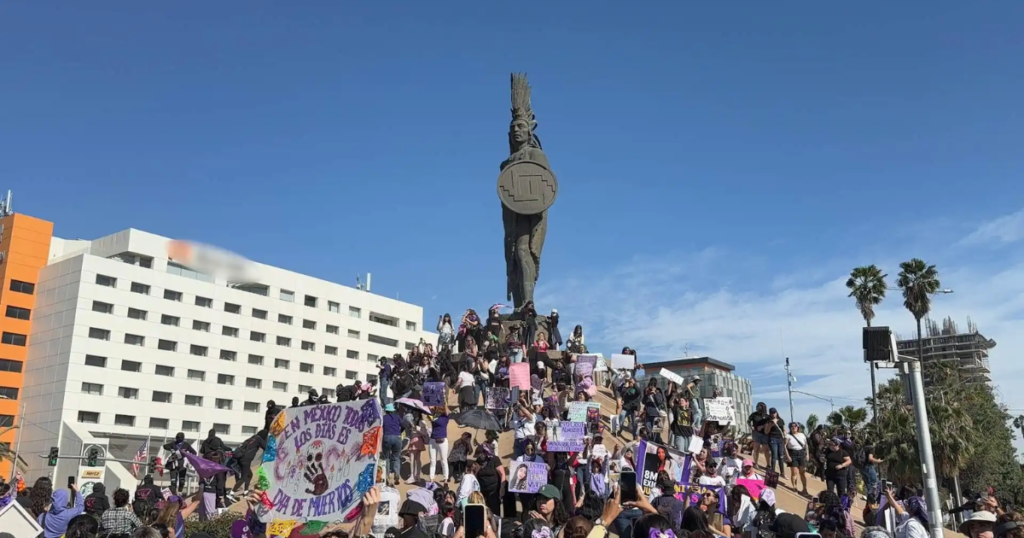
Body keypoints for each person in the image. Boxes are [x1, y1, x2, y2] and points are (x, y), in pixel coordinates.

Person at [232, 429, 268, 494]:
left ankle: (245, 491)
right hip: (246, 461)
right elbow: (265, 447)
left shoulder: (253, 437)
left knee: (249, 475)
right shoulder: (258, 439)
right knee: (244, 477)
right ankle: (232, 493)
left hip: (241, 459)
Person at [382, 403, 406, 485]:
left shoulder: (384, 418)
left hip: (387, 437)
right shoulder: (397, 417)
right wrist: (400, 431)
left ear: (386, 411)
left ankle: (387, 476)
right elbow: (404, 425)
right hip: (397, 437)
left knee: (386, 458)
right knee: (396, 457)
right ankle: (396, 474)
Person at [785, 422, 810, 496]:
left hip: (801, 453)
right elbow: (784, 446)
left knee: (802, 472)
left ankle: (804, 489)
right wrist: (788, 456)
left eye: (795, 426)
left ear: (797, 427)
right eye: (792, 426)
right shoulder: (788, 436)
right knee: (794, 472)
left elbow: (806, 445)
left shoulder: (802, 435)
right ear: (790, 428)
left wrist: (807, 454)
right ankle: (794, 487)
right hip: (793, 454)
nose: (793, 427)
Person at [429, 402, 451, 482]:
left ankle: (445, 479)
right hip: (433, 440)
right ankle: (431, 479)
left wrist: (444, 402)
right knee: (432, 460)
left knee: (443, 460)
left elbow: (447, 410)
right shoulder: (434, 416)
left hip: (442, 440)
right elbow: (429, 408)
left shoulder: (446, 416)